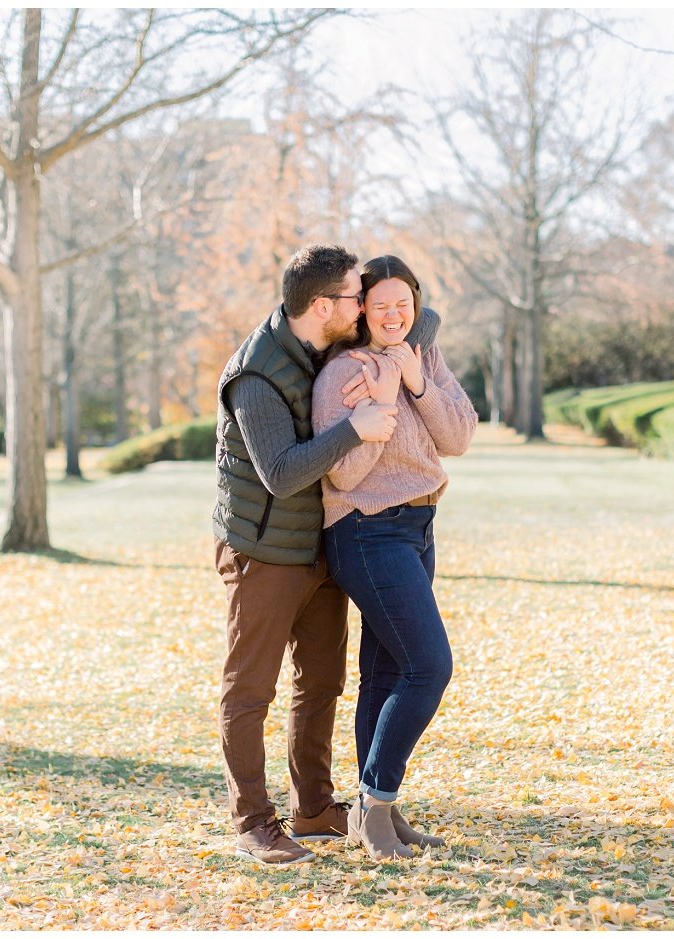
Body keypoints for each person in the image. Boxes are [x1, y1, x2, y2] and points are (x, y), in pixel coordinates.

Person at [211, 244, 439, 865]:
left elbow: (422, 318)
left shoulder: (321, 346)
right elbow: (281, 474)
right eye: (354, 295)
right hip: (262, 549)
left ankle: (313, 806)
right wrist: (356, 428)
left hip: (319, 546)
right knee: (250, 688)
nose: (365, 303)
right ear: (322, 305)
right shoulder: (256, 374)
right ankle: (253, 820)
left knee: (322, 683)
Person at [311, 254, 478, 861]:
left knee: (385, 673)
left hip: (419, 528)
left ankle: (374, 811)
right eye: (379, 304)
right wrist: (373, 414)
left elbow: (458, 437)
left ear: (415, 303)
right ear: (361, 312)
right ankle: (375, 807)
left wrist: (416, 384)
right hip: (366, 532)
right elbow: (345, 475)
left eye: (402, 302)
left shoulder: (423, 357)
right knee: (429, 666)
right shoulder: (340, 375)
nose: (392, 314)